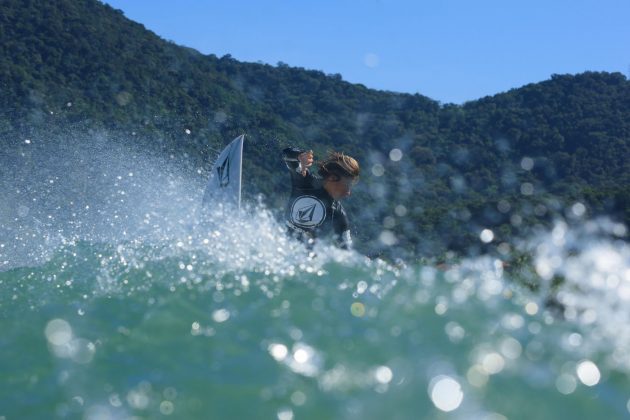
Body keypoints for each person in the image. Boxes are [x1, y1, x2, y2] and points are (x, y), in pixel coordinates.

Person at [282, 147, 360, 249]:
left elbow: (346, 248)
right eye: (347, 185)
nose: (348, 192)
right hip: (280, 246)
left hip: (303, 260)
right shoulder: (304, 181)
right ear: (332, 178)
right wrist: (300, 156)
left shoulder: (338, 214)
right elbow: (287, 154)